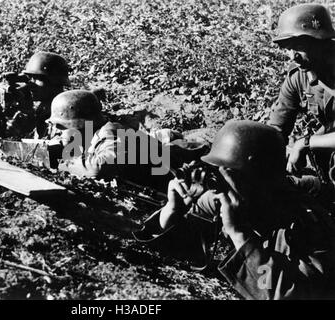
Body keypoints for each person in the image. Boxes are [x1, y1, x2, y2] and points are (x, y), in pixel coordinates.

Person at [135, 120, 335, 299]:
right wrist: (172, 210)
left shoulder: (307, 224)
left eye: (230, 174)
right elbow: (169, 251)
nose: (222, 183)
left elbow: (296, 294)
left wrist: (240, 235)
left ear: (257, 176)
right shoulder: (224, 200)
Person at [45, 90, 207, 192]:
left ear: (80, 124)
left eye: (63, 127)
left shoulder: (110, 132)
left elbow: (99, 169)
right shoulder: (92, 133)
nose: (60, 133)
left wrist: (64, 163)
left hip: (174, 173)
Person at [267, 4, 335, 193]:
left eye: (298, 46)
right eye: (288, 48)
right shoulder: (299, 77)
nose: (293, 56)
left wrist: (306, 143)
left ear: (321, 41)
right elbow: (276, 130)